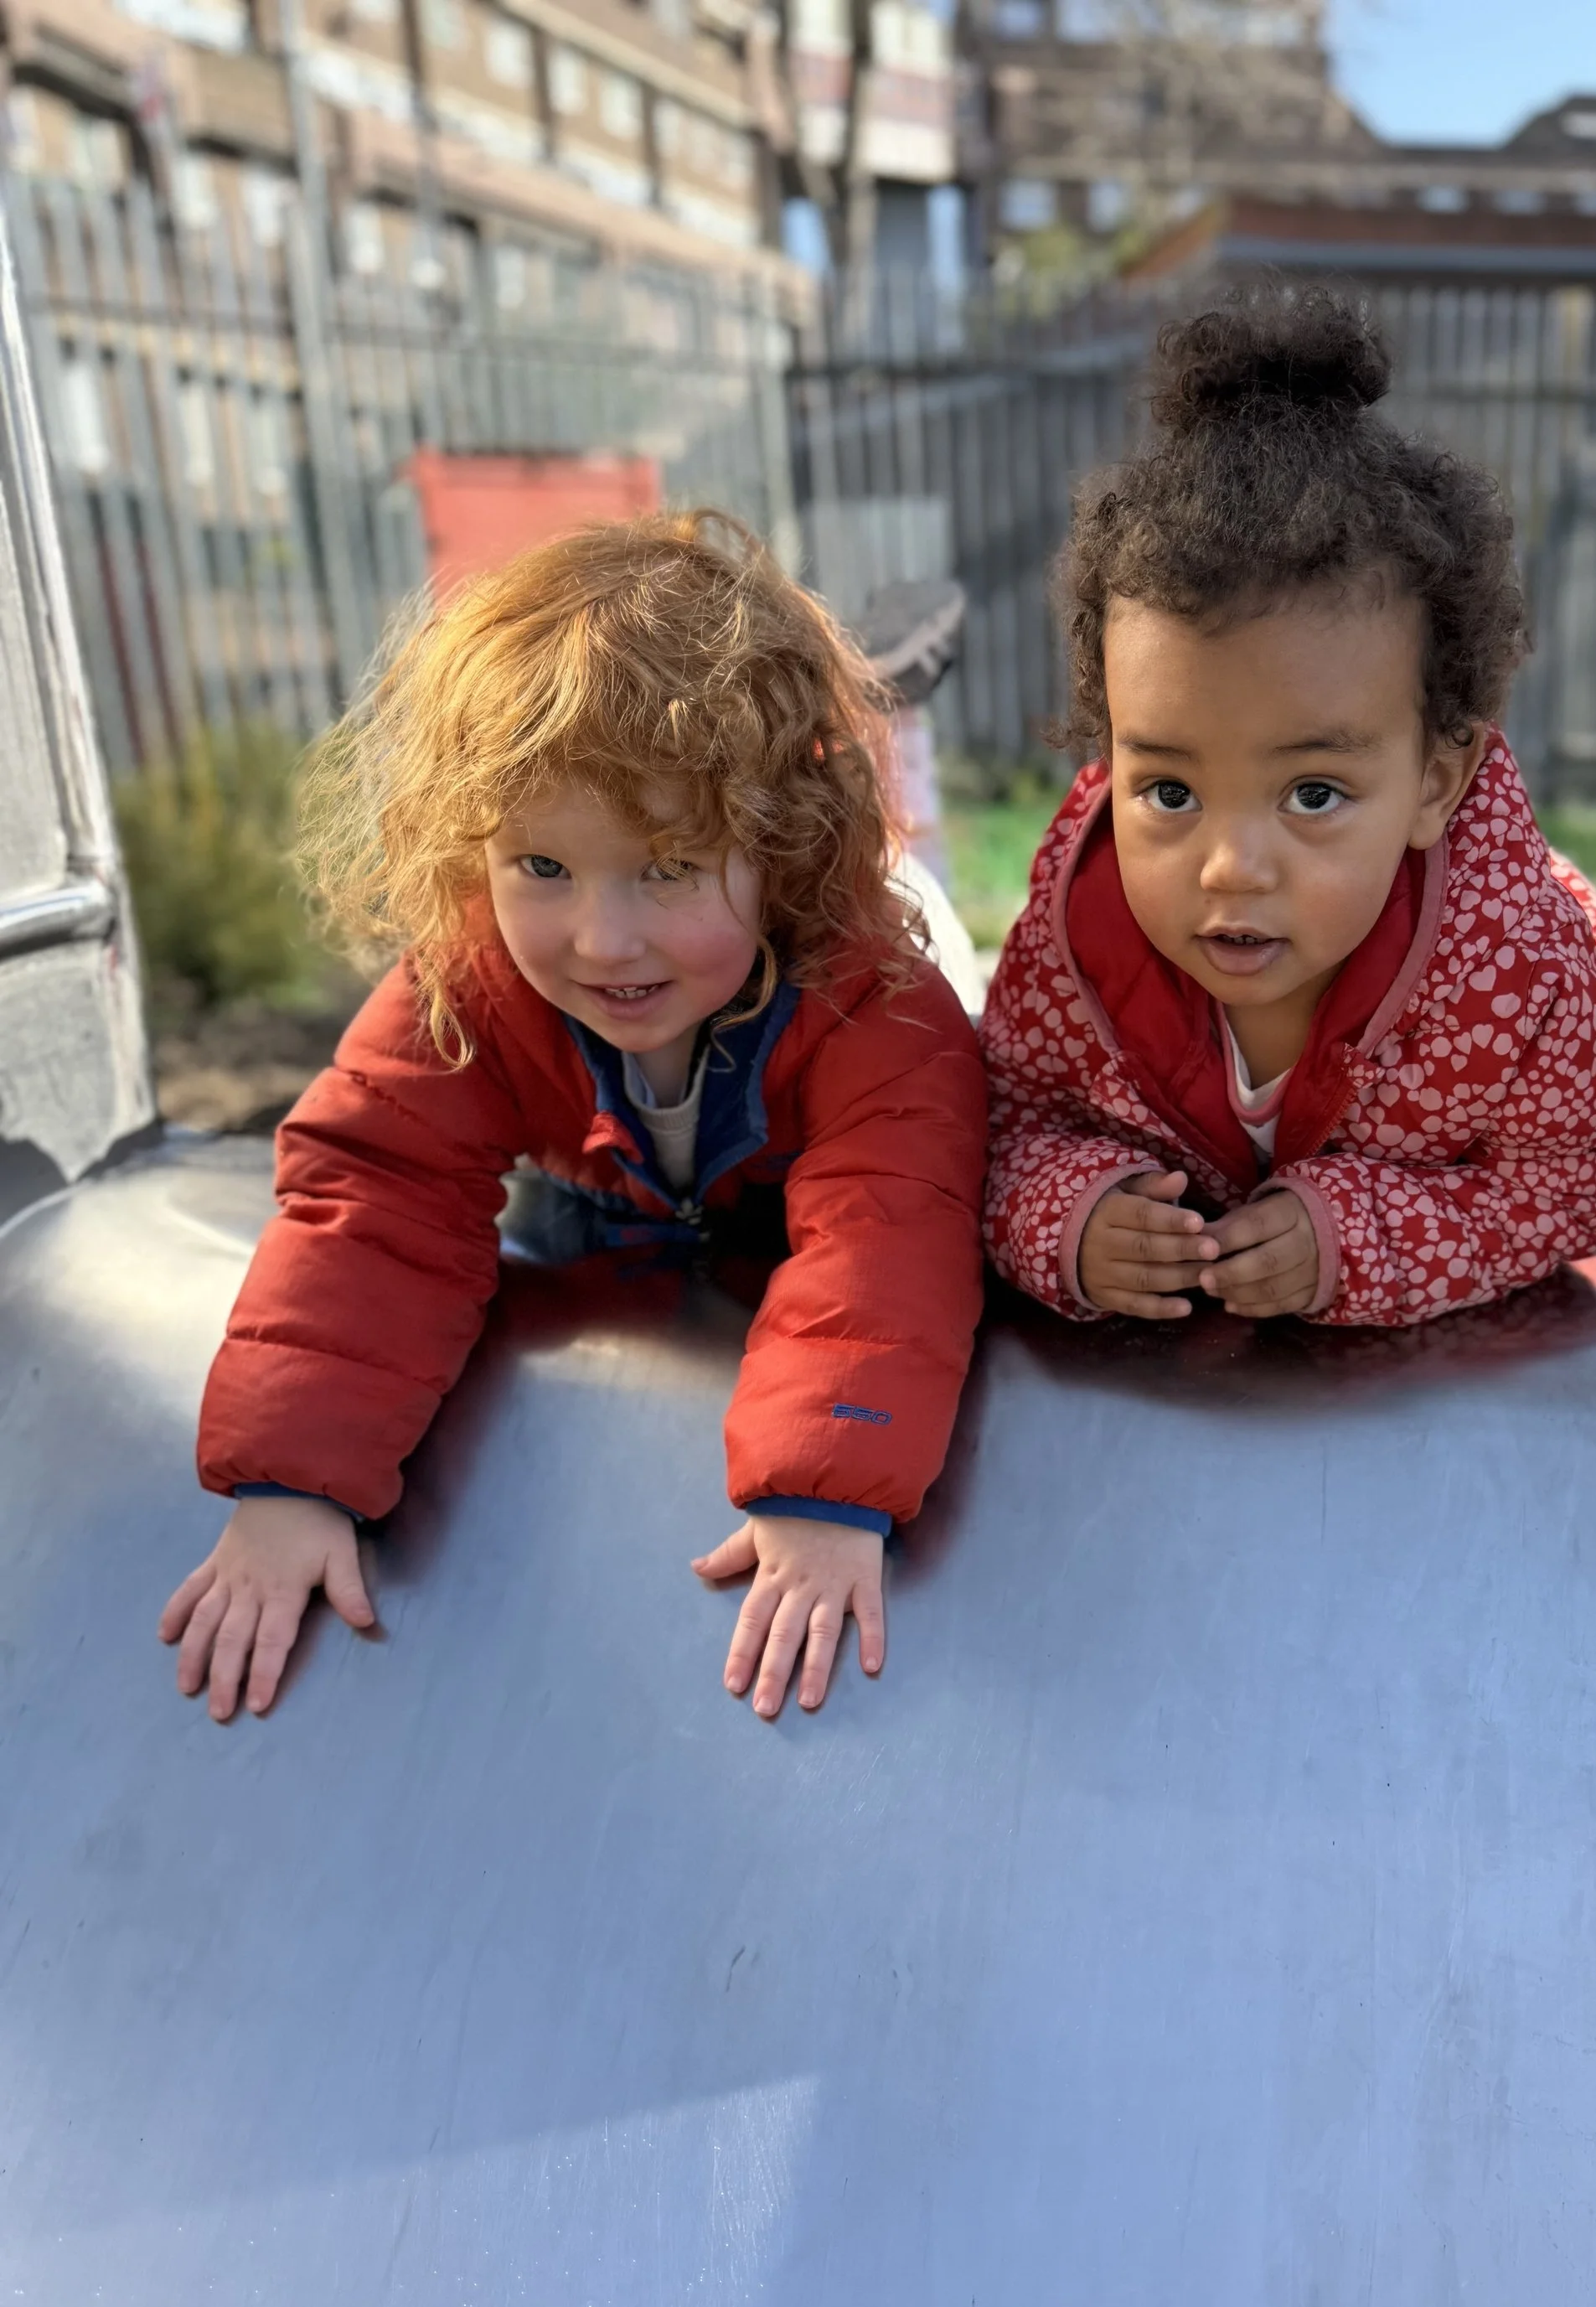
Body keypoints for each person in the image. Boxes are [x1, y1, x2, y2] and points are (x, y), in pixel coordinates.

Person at [160, 514, 987, 1722]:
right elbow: (376, 1196)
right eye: (543, 868)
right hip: (611, 1204)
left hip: (780, 1204)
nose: (603, 940)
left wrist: (824, 1483)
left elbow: (892, 1227)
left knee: (926, 1005)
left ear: (778, 848)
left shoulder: (883, 1004)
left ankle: (892, 718)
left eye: (667, 867)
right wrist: (294, 1477)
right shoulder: (475, 985)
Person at [981, 292, 1596, 1328]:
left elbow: (1561, 1185)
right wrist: (1070, 1218)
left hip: (1571, 980)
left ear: (1434, 783)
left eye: (1311, 794)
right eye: (1168, 791)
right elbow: (1003, 1125)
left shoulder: (1523, 967)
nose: (1228, 866)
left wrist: (1363, 1238)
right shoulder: (1071, 935)